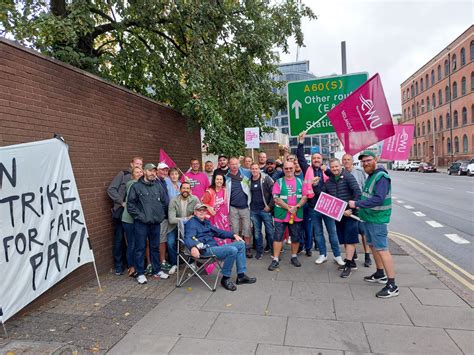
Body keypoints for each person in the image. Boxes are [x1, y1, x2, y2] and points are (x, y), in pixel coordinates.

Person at [348, 151, 399, 298]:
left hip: (377, 219)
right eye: (363, 162)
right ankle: (380, 273)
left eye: (368, 160)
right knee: (373, 247)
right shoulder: (371, 176)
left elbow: (378, 199)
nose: (365, 163)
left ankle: (392, 285)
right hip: (369, 218)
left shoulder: (381, 177)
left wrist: (356, 204)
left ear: (375, 160)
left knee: (382, 249)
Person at [297, 132, 345, 266]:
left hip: (327, 206)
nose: (316, 160)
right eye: (314, 158)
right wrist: (301, 142)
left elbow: (338, 177)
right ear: (311, 160)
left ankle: (337, 255)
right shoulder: (307, 169)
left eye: (318, 158)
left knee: (332, 233)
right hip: (314, 207)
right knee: (318, 233)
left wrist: (328, 170)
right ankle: (323, 254)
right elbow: (300, 157)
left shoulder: (327, 171)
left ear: (322, 159)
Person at [184, 204, 257, 291]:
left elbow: (218, 232)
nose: (202, 212)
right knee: (232, 250)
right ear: (195, 212)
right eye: (200, 210)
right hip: (204, 250)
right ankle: (225, 278)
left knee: (241, 244)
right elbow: (188, 236)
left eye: (204, 210)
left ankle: (241, 276)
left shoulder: (206, 222)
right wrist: (193, 247)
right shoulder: (191, 223)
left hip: (214, 248)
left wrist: (233, 235)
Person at [127, 163, 169, 284]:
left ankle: (157, 270)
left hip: (155, 222)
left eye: (154, 171)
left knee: (155, 247)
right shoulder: (136, 187)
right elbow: (131, 205)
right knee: (140, 248)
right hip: (141, 223)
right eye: (150, 171)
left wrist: (160, 216)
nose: (152, 173)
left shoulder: (158, 186)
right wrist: (141, 217)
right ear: (144, 172)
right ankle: (140, 273)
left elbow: (164, 202)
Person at [323, 158, 361, 278]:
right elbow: (323, 196)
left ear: (340, 166)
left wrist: (351, 209)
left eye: (336, 166)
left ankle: (348, 265)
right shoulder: (329, 182)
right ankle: (351, 262)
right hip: (338, 215)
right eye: (332, 167)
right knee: (344, 239)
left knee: (350, 240)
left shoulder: (348, 177)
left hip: (350, 214)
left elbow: (357, 193)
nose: (334, 169)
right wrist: (314, 186)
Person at [268, 161, 308, 271]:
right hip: (281, 214)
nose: (289, 170)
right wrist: (288, 207)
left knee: (295, 237)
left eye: (291, 168)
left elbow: (305, 197)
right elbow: (276, 198)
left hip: (296, 214)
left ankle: (294, 257)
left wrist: (297, 207)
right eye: (286, 168)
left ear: (294, 168)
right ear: (283, 169)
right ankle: (275, 259)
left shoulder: (301, 182)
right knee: (278, 237)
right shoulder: (279, 182)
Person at [107, 156, 143, 275]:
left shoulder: (142, 179)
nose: (138, 166)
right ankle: (118, 266)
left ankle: (131, 265)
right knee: (119, 238)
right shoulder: (123, 174)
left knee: (133, 240)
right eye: (136, 164)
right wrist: (121, 202)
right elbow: (111, 189)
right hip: (122, 211)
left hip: (135, 214)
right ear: (131, 164)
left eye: (141, 165)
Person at [342, 153, 372, 267]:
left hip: (359, 206)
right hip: (347, 208)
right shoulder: (342, 173)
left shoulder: (359, 173)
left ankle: (367, 255)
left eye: (348, 159)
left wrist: (362, 204)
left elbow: (365, 188)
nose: (346, 161)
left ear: (352, 160)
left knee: (363, 232)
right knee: (349, 232)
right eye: (344, 160)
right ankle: (352, 255)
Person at [168, 181, 200, 272]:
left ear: (190, 190)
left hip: (189, 227)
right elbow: (171, 219)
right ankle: (174, 264)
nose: (185, 190)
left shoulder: (195, 199)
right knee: (170, 243)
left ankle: (191, 262)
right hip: (175, 226)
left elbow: (199, 213)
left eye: (187, 188)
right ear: (180, 189)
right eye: (183, 188)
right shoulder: (173, 200)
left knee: (192, 241)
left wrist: (191, 220)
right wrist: (186, 218)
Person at [225, 157, 253, 258]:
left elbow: (257, 173)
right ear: (229, 165)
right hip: (233, 207)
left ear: (239, 164)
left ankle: (247, 248)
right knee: (235, 229)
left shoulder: (246, 173)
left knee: (247, 229)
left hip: (245, 206)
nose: (234, 166)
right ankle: (236, 248)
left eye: (236, 164)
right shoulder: (226, 176)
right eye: (232, 164)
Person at [249, 163, 275, 260]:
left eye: (256, 168)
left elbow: (274, 193)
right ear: (250, 170)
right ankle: (259, 252)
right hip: (254, 211)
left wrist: (270, 206)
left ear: (259, 169)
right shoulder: (248, 180)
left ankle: (274, 251)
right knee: (257, 233)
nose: (255, 170)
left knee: (270, 232)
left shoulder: (266, 179)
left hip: (265, 210)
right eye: (253, 169)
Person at [121, 166, 143, 277]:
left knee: (137, 243)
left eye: (140, 172)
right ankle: (131, 267)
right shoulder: (132, 184)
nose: (139, 173)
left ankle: (137, 265)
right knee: (132, 244)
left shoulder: (140, 184)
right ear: (132, 175)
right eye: (136, 172)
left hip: (137, 219)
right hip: (129, 219)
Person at [156, 162, 174, 273]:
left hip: (167, 215)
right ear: (157, 170)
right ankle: (162, 261)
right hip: (161, 216)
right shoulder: (156, 182)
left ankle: (164, 260)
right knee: (162, 240)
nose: (164, 172)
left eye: (166, 170)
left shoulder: (164, 181)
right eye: (162, 170)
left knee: (166, 239)